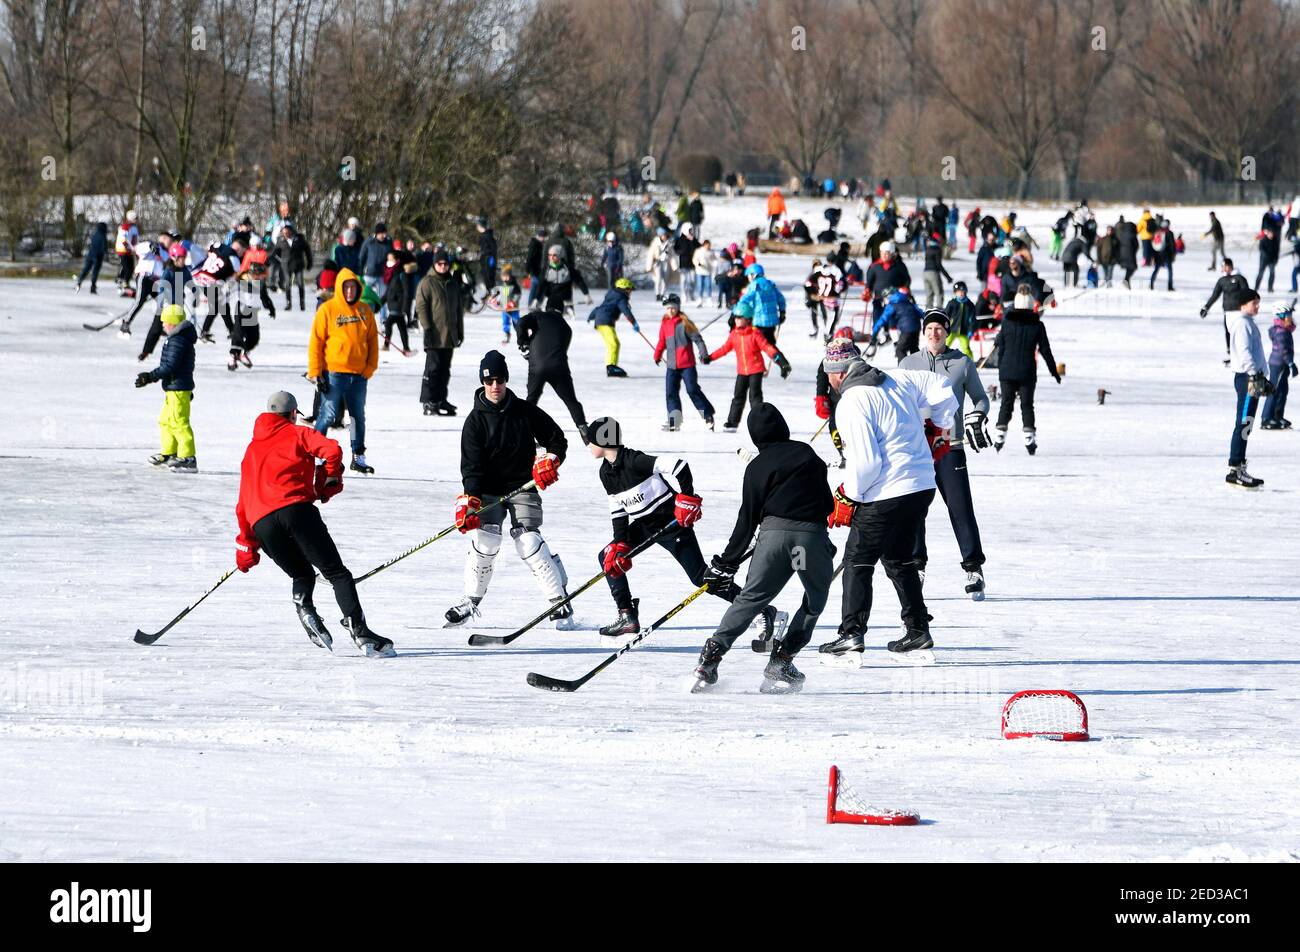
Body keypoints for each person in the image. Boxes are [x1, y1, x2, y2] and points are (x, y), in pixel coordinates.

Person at [817, 337, 958, 660]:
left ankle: (851, 634)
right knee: (898, 559)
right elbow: (942, 388)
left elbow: (867, 464)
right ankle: (918, 630)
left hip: (888, 490)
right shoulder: (897, 378)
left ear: (837, 374)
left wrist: (847, 497)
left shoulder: (852, 402)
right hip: (921, 485)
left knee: (858, 559)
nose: (830, 383)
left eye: (829, 377)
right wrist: (941, 428)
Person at [586, 416, 784, 643]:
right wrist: (619, 543)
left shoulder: (635, 460)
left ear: (603, 441)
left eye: (590, 440)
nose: (588, 445)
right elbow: (618, 509)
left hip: (673, 525)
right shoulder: (606, 472)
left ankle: (760, 609)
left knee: (701, 578)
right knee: (609, 556)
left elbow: (679, 466)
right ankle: (627, 616)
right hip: (644, 527)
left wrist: (687, 498)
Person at [230, 390, 392, 656]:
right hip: (296, 511)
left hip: (262, 523)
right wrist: (329, 478)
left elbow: (243, 502)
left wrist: (246, 545)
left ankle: (305, 609)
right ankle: (361, 633)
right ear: (293, 414)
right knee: (337, 573)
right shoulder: (297, 433)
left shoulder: (251, 450)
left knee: (302, 573)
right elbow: (332, 450)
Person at [691, 403, 835, 693]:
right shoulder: (807, 453)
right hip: (807, 542)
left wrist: (726, 563)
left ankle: (711, 657)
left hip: (772, 539)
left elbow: (747, 519)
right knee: (814, 598)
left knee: (750, 598)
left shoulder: (757, 466)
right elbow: (828, 504)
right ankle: (782, 660)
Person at [445, 350, 575, 627]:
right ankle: (471, 602)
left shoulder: (525, 411)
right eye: (490, 381)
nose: (495, 386)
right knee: (486, 541)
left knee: (527, 540)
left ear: (506, 380)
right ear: (482, 382)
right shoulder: (474, 422)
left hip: (522, 486)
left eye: (500, 380)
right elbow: (471, 468)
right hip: (489, 490)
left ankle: (559, 601)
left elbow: (557, 438)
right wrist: (471, 502)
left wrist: (552, 459)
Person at [900, 309, 991, 598]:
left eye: (939, 329)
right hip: (917, 447)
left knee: (960, 507)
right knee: (913, 510)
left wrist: (978, 415)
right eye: (929, 329)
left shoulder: (962, 363)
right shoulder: (908, 363)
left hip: (949, 446)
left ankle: (973, 567)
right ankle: (916, 565)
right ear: (923, 333)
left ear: (947, 332)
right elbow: (898, 401)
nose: (933, 334)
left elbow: (981, 398)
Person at [309, 267, 379, 473]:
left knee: (357, 416)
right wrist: (315, 371)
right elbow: (316, 343)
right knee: (328, 415)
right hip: (334, 373)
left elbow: (372, 342)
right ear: (340, 288)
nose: (350, 291)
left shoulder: (365, 311)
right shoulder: (328, 310)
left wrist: (369, 368)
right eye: (346, 287)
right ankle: (314, 454)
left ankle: (358, 456)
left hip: (359, 375)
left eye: (353, 287)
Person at [992, 286, 1060, 454]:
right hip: (1027, 372)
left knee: (1006, 403)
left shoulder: (1006, 322)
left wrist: (1001, 367)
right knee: (1027, 405)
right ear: (1031, 304)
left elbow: (1000, 346)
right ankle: (1029, 438)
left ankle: (1000, 436)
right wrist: (1054, 372)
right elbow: (1045, 351)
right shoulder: (1037, 325)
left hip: (1007, 371)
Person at [704, 302, 790, 433]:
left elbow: (768, 348)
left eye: (740, 317)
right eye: (736, 317)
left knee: (755, 398)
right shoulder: (734, 335)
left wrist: (781, 362)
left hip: (756, 370)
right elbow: (724, 349)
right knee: (738, 397)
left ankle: (760, 423)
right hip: (742, 371)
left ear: (748, 319)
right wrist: (710, 357)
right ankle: (732, 422)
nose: (737, 320)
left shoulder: (755, 334)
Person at [133, 302, 197, 471]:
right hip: (173, 387)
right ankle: (169, 452)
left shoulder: (179, 340)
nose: (162, 325)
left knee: (179, 422)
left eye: (164, 322)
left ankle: (188, 457)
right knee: (166, 420)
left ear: (172, 323)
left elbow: (171, 365)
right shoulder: (175, 339)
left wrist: (150, 376)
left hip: (178, 388)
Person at [516, 307, 589, 440]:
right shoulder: (566, 328)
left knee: (531, 401)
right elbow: (560, 348)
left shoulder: (539, 316)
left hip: (537, 367)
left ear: (548, 307)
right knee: (571, 401)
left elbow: (521, 322)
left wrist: (523, 343)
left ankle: (525, 435)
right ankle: (584, 431)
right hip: (559, 368)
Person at [1225, 289, 1271, 487]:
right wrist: (1254, 374)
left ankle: (1240, 465)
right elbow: (1244, 353)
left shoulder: (1248, 322)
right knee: (1243, 423)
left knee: (1248, 423)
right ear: (1244, 303)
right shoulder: (1242, 324)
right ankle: (1235, 469)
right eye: (1255, 302)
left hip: (1253, 378)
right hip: (1247, 379)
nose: (1258, 306)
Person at [653, 293, 715, 431]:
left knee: (692, 390)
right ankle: (674, 421)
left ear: (678, 308)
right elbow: (662, 342)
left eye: (673, 308)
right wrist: (657, 355)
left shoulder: (685, 323)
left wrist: (703, 354)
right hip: (672, 365)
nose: (670, 311)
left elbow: (698, 340)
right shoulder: (664, 324)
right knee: (671, 392)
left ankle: (708, 415)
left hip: (687, 365)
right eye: (668, 308)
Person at [415, 249, 464, 416]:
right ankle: (428, 400)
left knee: (445, 369)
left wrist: (460, 331)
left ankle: (441, 399)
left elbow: (458, 309)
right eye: (439, 264)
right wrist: (427, 328)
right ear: (434, 265)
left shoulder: (452, 283)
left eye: (445, 264)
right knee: (433, 369)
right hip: (434, 334)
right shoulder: (427, 282)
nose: (443, 267)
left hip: (449, 334)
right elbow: (421, 307)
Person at [1201, 258, 1251, 363]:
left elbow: (1247, 293)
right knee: (1228, 333)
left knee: (1240, 334)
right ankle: (1232, 355)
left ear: (1230, 266)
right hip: (1227, 312)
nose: (1223, 269)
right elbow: (1215, 295)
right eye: (1222, 267)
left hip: (1239, 312)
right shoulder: (1222, 281)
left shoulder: (1239, 278)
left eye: (1225, 266)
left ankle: (1243, 355)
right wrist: (1206, 307)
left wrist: (1248, 307)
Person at [588, 277, 640, 377]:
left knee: (615, 343)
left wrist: (592, 315)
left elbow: (601, 307)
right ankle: (611, 367)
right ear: (624, 289)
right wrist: (634, 323)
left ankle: (612, 366)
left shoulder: (612, 296)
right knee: (613, 344)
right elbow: (626, 311)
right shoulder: (621, 297)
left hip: (603, 321)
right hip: (605, 321)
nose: (630, 293)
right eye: (629, 290)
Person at [1262, 302, 1296, 429]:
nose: (1291, 318)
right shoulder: (1282, 332)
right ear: (1280, 317)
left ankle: (1277, 416)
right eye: (1288, 315)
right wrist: (1291, 363)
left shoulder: (1283, 330)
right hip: (1279, 364)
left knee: (1282, 391)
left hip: (1281, 364)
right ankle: (1266, 418)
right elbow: (1283, 350)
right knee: (1275, 391)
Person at [734, 263, 786, 346]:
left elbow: (747, 298)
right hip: (772, 321)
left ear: (753, 275)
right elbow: (781, 299)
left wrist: (737, 308)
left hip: (759, 321)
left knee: (755, 345)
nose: (748, 278)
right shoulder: (771, 284)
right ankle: (778, 358)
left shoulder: (754, 285)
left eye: (749, 276)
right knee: (770, 345)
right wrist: (782, 312)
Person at [538, 243, 590, 314]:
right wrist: (537, 299)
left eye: (554, 255)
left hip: (565, 300)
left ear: (559, 256)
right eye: (549, 255)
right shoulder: (546, 269)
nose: (551, 257)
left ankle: (569, 311)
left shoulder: (568, 268)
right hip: (550, 299)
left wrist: (586, 294)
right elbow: (541, 285)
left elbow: (579, 281)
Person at [274, 224, 312, 312]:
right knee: (287, 283)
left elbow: (307, 250)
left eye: (287, 232)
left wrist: (309, 262)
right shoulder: (280, 240)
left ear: (291, 232)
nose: (286, 234)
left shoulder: (299, 239)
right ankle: (288, 303)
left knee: (300, 283)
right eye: (284, 233)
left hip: (297, 264)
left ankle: (302, 303)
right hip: (286, 265)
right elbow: (276, 252)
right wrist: (280, 260)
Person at [943, 281, 977, 358]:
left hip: (964, 331)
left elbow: (972, 319)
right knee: (945, 345)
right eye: (959, 292)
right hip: (952, 330)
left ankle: (970, 362)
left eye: (963, 291)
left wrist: (971, 330)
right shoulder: (952, 303)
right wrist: (944, 327)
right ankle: (940, 359)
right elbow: (945, 315)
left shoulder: (970, 304)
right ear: (955, 293)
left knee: (966, 348)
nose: (961, 293)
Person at [75, 222, 109, 294]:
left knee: (86, 269)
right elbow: (104, 247)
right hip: (98, 256)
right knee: (95, 272)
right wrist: (106, 255)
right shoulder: (103, 236)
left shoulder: (94, 234)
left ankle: (79, 282)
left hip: (90, 254)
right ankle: (93, 287)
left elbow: (90, 244)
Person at [922, 229, 952, 309]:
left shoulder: (928, 249)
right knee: (939, 292)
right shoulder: (937, 250)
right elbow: (939, 265)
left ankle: (928, 311)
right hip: (933, 273)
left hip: (925, 273)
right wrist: (948, 277)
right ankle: (939, 310)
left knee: (929, 294)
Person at [114, 209, 140, 296]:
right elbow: (123, 239)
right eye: (135, 218)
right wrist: (128, 248)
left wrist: (136, 249)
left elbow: (135, 240)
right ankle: (123, 282)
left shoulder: (134, 228)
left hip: (130, 250)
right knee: (127, 268)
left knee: (131, 268)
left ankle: (124, 281)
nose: (136, 220)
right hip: (123, 250)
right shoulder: (125, 227)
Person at [1149, 217, 1176, 291]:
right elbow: (1172, 245)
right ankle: (1170, 286)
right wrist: (1173, 255)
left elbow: (1153, 243)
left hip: (1157, 254)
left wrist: (1152, 255)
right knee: (1170, 270)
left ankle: (1151, 284)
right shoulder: (1169, 233)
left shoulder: (1157, 232)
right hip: (1166, 254)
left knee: (1156, 269)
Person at [1255, 222, 1280, 292]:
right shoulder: (1263, 240)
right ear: (1268, 233)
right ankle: (1256, 287)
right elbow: (1261, 249)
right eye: (1270, 233)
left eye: (1272, 233)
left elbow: (1277, 250)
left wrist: (1276, 259)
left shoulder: (1275, 240)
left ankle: (1270, 288)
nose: (1271, 235)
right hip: (1264, 260)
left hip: (1272, 260)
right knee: (1260, 273)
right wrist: (1267, 255)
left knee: (1272, 273)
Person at [476, 218, 498, 292]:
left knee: (489, 278)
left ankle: (492, 294)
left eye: (478, 225)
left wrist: (485, 253)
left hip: (488, 260)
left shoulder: (487, 236)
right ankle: (489, 293)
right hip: (485, 259)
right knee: (486, 277)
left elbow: (492, 249)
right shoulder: (485, 235)